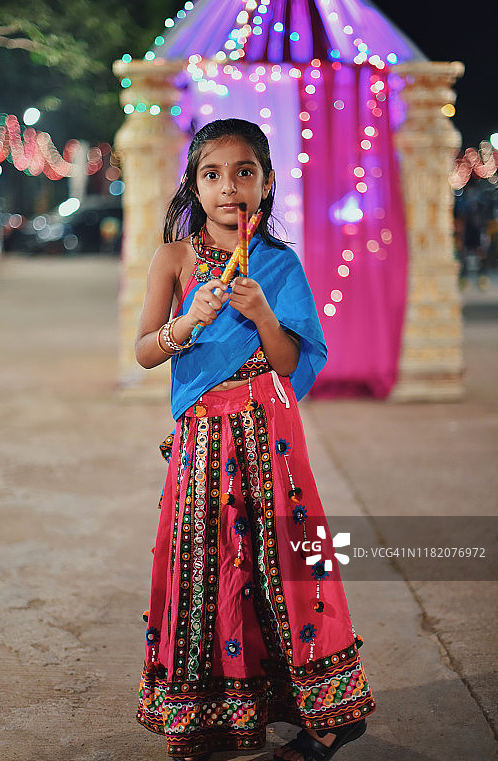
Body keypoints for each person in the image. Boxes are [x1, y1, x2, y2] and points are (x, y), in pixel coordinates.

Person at [135, 118, 376, 761]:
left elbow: (291, 362)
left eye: (245, 172)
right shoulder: (174, 258)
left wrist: (262, 312)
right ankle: (208, 714)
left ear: (265, 187)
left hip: (269, 436)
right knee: (205, 564)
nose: (228, 187)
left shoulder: (278, 263)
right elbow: (143, 352)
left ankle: (327, 715)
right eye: (212, 174)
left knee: (288, 563)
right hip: (202, 436)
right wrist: (188, 322)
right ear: (194, 185)